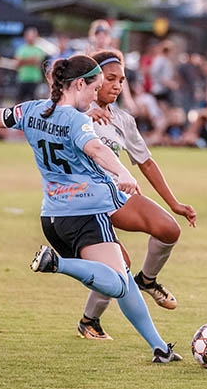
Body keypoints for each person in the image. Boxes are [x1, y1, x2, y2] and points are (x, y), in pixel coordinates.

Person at [0, 55, 181, 364]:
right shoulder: (77, 120)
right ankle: (56, 263)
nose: (96, 97)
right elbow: (96, 149)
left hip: (53, 217)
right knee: (119, 282)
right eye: (94, 89)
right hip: (87, 212)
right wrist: (123, 172)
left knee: (120, 276)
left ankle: (159, 347)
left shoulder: (30, 110)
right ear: (79, 84)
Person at [77, 49, 197, 340]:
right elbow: (52, 100)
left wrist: (174, 203)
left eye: (122, 80)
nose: (118, 85)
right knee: (119, 265)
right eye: (110, 79)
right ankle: (89, 321)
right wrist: (80, 113)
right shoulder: (73, 113)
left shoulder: (123, 120)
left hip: (115, 196)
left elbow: (145, 162)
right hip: (83, 201)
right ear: (92, 80)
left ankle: (148, 279)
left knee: (169, 229)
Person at [14, 27, 45, 103]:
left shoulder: (39, 49)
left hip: (34, 79)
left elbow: (37, 62)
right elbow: (17, 63)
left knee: (34, 101)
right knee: (19, 101)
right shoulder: (21, 49)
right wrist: (30, 60)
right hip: (23, 78)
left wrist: (23, 61)